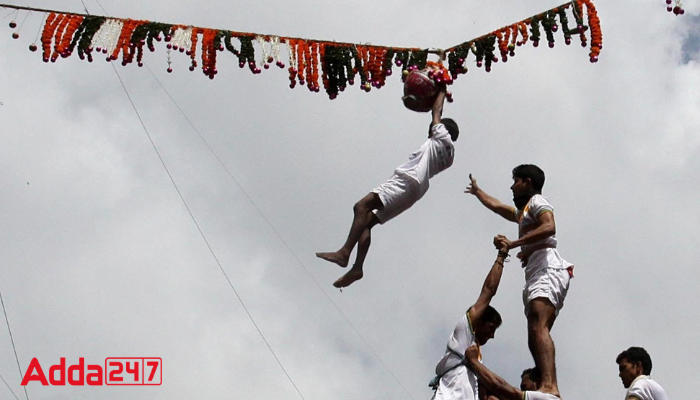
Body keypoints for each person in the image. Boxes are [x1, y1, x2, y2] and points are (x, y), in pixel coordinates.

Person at [316, 89, 459, 288]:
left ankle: (344, 253)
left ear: (445, 129)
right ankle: (357, 268)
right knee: (365, 222)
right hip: (415, 191)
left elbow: (437, 111)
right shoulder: (450, 157)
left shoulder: (442, 136)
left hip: (407, 180)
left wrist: (442, 88)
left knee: (360, 207)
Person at [465, 165, 573, 397]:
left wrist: (514, 245)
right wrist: (478, 192)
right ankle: (545, 382)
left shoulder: (537, 202)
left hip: (548, 268)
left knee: (538, 323)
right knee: (535, 330)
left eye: (516, 181)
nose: (512, 186)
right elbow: (498, 207)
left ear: (528, 182)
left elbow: (549, 226)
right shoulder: (523, 212)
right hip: (537, 270)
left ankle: (549, 385)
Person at [429, 242, 509, 400]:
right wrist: (501, 256)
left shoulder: (476, 358)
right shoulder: (464, 336)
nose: (492, 335)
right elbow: (488, 291)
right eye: (491, 328)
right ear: (479, 322)